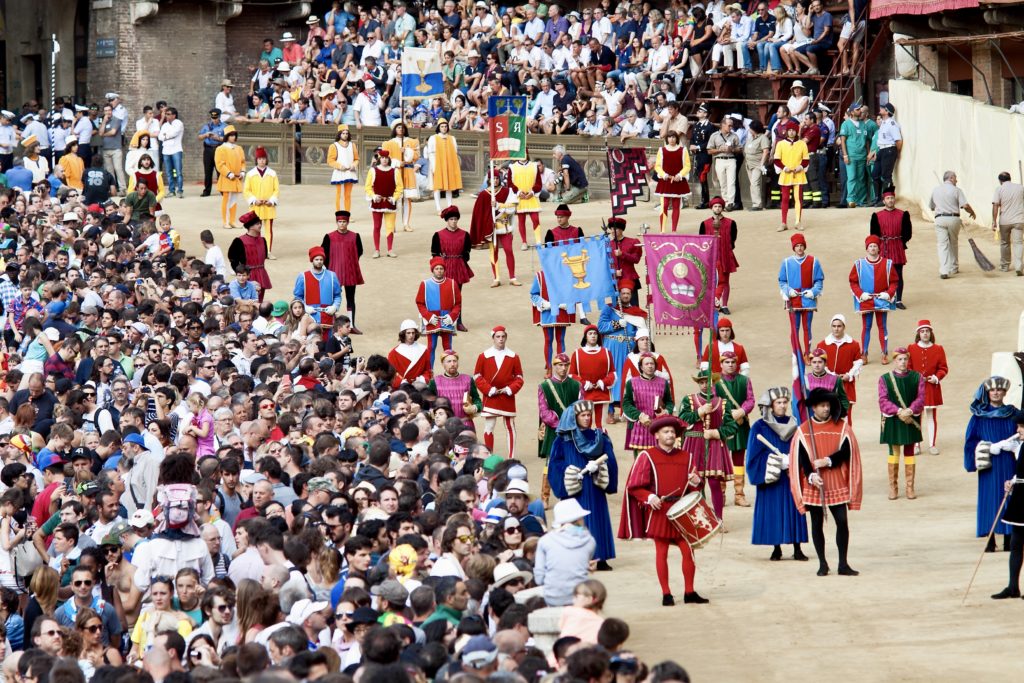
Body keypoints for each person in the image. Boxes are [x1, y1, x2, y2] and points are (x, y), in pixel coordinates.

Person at [619, 415, 708, 606]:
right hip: (660, 511)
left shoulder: (687, 456)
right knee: (662, 552)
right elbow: (635, 487)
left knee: (688, 551)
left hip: (681, 511)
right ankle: (666, 593)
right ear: (657, 435)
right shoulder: (647, 456)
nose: (670, 435)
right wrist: (650, 497)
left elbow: (696, 486)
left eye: (673, 432)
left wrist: (696, 481)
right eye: (666, 431)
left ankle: (689, 592)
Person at [789, 388, 863, 577]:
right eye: (822, 405)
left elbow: (847, 451)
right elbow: (801, 458)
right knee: (816, 524)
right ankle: (822, 563)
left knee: (842, 522)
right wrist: (811, 475)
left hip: (836, 480)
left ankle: (843, 564)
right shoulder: (804, 430)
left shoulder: (842, 427)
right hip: (815, 483)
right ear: (813, 407)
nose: (826, 409)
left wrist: (828, 461)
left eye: (828, 405)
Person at [548, 400, 618, 570]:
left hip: (594, 488)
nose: (587, 418)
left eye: (589, 415)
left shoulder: (599, 437)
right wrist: (570, 471)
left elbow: (611, 461)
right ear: (575, 417)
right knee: (578, 521)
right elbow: (554, 465)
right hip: (575, 490)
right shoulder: (562, 441)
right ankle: (578, 557)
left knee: (597, 519)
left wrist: (600, 467)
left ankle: (600, 557)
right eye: (583, 415)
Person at [746, 387, 809, 561]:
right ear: (771, 405)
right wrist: (775, 462)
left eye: (784, 402)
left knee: (795, 509)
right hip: (772, 477)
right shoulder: (760, 426)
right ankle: (776, 548)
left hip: (790, 476)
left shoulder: (794, 424)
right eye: (778, 403)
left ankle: (797, 548)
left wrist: (793, 462)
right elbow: (753, 455)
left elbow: (803, 449)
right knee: (774, 511)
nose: (782, 406)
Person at [963, 377, 1022, 553]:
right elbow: (970, 442)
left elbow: (1021, 435)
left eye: (999, 390)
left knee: (1009, 497)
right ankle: (989, 540)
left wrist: (1015, 446)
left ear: (1005, 392)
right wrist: (988, 447)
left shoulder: (1013, 414)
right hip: (989, 464)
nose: (996, 392)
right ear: (988, 393)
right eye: (992, 390)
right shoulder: (979, 417)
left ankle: (1008, 538)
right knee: (989, 498)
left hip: (1008, 462)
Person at [676, 368, 736, 521]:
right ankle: (698, 519)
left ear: (713, 383)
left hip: (714, 444)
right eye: (701, 382)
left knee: (715, 483)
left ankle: (719, 518)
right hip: (694, 443)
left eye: (707, 382)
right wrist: (699, 412)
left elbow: (731, 426)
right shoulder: (688, 400)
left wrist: (717, 433)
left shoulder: (723, 403)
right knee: (696, 483)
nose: (704, 385)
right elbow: (681, 420)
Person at [878, 348, 925, 501]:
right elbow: (883, 400)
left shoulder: (917, 377)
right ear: (894, 361)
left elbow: (921, 398)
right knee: (894, 452)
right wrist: (899, 411)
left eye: (905, 359)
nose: (903, 362)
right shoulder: (884, 378)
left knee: (910, 452)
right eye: (899, 359)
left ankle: (910, 488)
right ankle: (893, 488)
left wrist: (910, 410)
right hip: (893, 419)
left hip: (911, 417)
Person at [474, 326, 524, 457]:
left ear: (506, 338)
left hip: (507, 396)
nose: (501, 339)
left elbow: (519, 377)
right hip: (491, 396)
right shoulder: (484, 356)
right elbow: (477, 376)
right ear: (493, 338)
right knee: (489, 427)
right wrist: (489, 389)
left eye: (503, 337)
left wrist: (509, 389)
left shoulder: (513, 356)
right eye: (498, 337)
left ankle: (511, 457)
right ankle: (489, 456)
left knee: (510, 427)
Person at [535, 499, 596, 607]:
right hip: (579, 599)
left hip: (552, 599)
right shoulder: (590, 541)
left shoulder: (545, 541)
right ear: (580, 519)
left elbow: (539, 579)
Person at [989, 415, 1024, 599]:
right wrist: (1012, 481)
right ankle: (1013, 586)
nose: (1018, 430)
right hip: (1020, 495)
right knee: (1016, 543)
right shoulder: (1023, 446)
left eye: (1021, 427)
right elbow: (1021, 471)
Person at [849, 235, 898, 364]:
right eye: (870, 246)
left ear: (878, 248)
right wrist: (860, 294)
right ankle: (864, 354)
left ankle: (884, 353)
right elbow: (853, 282)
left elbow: (894, 282)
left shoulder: (888, 263)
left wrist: (889, 294)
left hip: (882, 299)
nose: (872, 248)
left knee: (882, 326)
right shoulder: (859, 264)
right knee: (867, 326)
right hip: (866, 300)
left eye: (875, 246)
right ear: (867, 248)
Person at [716, 351, 754, 508]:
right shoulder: (715, 381)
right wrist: (728, 414)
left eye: (733, 362)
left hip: (741, 425)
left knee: (739, 460)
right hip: (723, 425)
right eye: (727, 362)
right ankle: (721, 494)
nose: (730, 364)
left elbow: (750, 399)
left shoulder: (745, 380)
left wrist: (742, 411)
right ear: (721, 364)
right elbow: (713, 400)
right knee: (722, 461)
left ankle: (739, 494)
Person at [778, 233, 824, 359]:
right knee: (795, 328)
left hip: (808, 300)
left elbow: (819, 280)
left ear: (804, 246)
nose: (799, 248)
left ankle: (807, 353)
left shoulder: (814, 261)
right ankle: (796, 353)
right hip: (793, 300)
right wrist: (788, 291)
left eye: (801, 245)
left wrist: (813, 292)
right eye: (797, 246)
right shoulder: (786, 262)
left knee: (807, 327)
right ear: (793, 247)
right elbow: (782, 281)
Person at [907, 321, 948, 456]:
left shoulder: (938, 349)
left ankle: (932, 444)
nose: (925, 333)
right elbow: (909, 367)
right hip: (916, 387)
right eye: (922, 331)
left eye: (927, 331)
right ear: (918, 333)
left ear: (931, 333)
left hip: (931, 387)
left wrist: (936, 377)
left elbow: (943, 368)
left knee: (931, 415)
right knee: (917, 415)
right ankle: (917, 444)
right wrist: (914, 379)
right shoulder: (911, 348)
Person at [430, 206, 473, 332]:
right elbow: (434, 254)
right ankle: (441, 321)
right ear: (447, 220)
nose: (454, 221)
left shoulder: (465, 235)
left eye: (455, 219)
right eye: (451, 219)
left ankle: (458, 321)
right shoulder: (438, 235)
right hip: (444, 268)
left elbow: (467, 252)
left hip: (458, 267)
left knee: (457, 296)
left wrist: (462, 257)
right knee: (442, 296)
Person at [621, 353, 674, 457]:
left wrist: (667, 411)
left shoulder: (663, 383)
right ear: (641, 367)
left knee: (658, 463)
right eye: (647, 364)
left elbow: (669, 402)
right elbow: (626, 404)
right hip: (639, 428)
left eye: (652, 363)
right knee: (641, 465)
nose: (650, 366)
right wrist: (639, 416)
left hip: (658, 428)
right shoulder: (631, 382)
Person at [929, 170, 978, 279]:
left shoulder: (936, 190)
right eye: (955, 178)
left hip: (940, 219)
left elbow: (932, 207)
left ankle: (944, 270)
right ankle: (954, 267)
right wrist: (972, 213)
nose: (957, 180)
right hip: (953, 219)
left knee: (942, 245)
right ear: (951, 178)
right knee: (953, 243)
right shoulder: (957, 190)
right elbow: (965, 205)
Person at [815, 314, 863, 424]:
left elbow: (858, 363)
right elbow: (819, 363)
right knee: (826, 414)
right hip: (827, 384)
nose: (836, 329)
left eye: (839, 326)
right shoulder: (822, 345)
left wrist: (849, 375)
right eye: (834, 326)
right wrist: (830, 375)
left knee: (846, 415)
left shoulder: (853, 344)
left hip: (845, 384)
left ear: (844, 327)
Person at [869, 188, 913, 307]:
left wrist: (898, 241)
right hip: (883, 247)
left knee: (898, 274)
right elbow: (873, 234)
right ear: (884, 201)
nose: (890, 200)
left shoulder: (903, 214)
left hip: (897, 246)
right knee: (883, 275)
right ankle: (885, 299)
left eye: (892, 198)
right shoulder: (876, 216)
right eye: (888, 198)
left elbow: (908, 233)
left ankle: (898, 300)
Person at [415, 257, 462, 368]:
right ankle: (429, 372)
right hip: (432, 320)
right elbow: (419, 303)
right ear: (433, 270)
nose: (439, 270)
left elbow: (458, 303)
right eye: (437, 268)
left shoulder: (452, 283)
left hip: (447, 320)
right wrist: (428, 316)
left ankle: (449, 370)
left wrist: (452, 316)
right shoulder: (425, 284)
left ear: (444, 270)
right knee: (431, 347)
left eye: (441, 268)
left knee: (448, 348)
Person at [698, 197, 739, 314]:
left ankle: (724, 305)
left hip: (725, 256)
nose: (717, 208)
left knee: (725, 281)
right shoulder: (704, 224)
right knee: (710, 282)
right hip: (710, 258)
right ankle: (713, 304)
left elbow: (733, 240)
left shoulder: (731, 223)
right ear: (712, 208)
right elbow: (701, 242)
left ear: (722, 208)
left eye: (720, 206)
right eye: (715, 206)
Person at [570, 325, 616, 430]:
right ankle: (585, 445)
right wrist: (584, 383)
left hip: (602, 394)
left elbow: (613, 374)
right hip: (585, 394)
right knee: (585, 425)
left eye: (595, 334)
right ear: (585, 337)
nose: (593, 336)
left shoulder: (606, 353)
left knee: (601, 425)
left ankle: (602, 445)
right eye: (590, 334)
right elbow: (572, 375)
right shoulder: (577, 354)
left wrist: (602, 383)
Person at [530, 269, 575, 374]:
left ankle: (560, 366)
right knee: (548, 340)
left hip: (561, 312)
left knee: (560, 339)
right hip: (547, 313)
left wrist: (567, 302)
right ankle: (549, 367)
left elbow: (572, 292)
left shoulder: (565, 274)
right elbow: (533, 294)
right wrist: (544, 303)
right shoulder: (540, 275)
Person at [293, 246, 343, 341]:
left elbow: (337, 295)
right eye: (316, 259)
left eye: (321, 259)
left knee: (329, 343)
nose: (319, 261)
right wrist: (305, 307)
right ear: (312, 260)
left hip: (328, 315)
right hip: (311, 316)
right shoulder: (303, 276)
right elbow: (297, 296)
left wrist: (335, 307)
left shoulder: (332, 275)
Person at [364, 149, 403, 258]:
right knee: (377, 226)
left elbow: (400, 187)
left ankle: (390, 249)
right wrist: (373, 196)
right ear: (379, 159)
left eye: (386, 158)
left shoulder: (395, 171)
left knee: (390, 227)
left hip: (390, 203)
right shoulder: (373, 171)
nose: (385, 160)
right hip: (377, 203)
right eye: (383, 158)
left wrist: (394, 198)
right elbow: (367, 187)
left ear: (389, 159)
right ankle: (377, 250)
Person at [427, 350, 482, 426]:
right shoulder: (434, 382)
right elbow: (427, 403)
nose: (452, 364)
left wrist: (474, 408)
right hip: (445, 426)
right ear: (443, 364)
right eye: (449, 361)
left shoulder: (468, 379)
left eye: (454, 361)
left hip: (465, 425)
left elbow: (477, 400)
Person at [243, 146, 280, 258]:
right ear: (256, 160)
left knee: (268, 230)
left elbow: (276, 189)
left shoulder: (272, 173)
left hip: (268, 206)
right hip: (256, 207)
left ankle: (268, 251)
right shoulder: (250, 174)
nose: (262, 161)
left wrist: (272, 201)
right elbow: (246, 190)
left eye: (263, 159)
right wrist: (254, 200)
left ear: (266, 160)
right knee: (255, 229)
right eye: (259, 159)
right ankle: (256, 251)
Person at [383, 122, 420, 233]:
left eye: (403, 127)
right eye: (398, 127)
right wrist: (398, 163)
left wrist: (407, 152)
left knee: (406, 199)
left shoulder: (412, 141)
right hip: (394, 172)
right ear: (395, 129)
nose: (401, 129)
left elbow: (417, 156)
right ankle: (392, 224)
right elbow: (384, 157)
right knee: (395, 198)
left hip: (408, 171)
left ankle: (406, 223)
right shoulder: (388, 143)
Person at [773, 119, 809, 231]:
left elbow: (806, 159)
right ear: (786, 131)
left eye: (794, 130)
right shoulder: (780, 144)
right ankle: (783, 222)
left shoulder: (802, 144)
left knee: (798, 199)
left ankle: (798, 221)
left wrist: (801, 167)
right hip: (786, 174)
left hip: (798, 175)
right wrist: (784, 168)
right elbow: (777, 159)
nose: (792, 132)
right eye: (790, 130)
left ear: (797, 131)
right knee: (784, 199)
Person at [228, 212, 272, 302]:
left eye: (260, 223)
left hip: (261, 274)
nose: (260, 225)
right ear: (251, 226)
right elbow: (233, 259)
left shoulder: (263, 240)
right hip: (247, 275)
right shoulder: (239, 241)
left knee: (259, 301)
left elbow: (263, 257)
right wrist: (241, 273)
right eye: (257, 223)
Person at [654, 131, 691, 232]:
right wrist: (664, 175)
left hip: (678, 182)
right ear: (667, 139)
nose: (671, 139)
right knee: (664, 206)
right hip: (665, 181)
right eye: (669, 137)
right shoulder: (661, 150)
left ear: (677, 138)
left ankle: (674, 230)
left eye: (673, 137)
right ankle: (663, 230)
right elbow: (657, 166)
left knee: (676, 206)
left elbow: (687, 165)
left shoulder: (683, 150)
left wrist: (680, 175)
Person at [426, 119, 462, 213]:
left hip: (449, 164)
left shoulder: (452, 138)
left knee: (449, 186)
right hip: (438, 164)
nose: (444, 128)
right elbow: (431, 153)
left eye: (445, 126)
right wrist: (434, 166)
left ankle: (449, 206)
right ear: (438, 127)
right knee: (437, 187)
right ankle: (439, 208)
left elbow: (455, 152)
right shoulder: (433, 138)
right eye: (442, 126)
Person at [991, 171, 1024, 276]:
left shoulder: (999, 189)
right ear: (1010, 178)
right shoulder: (1020, 187)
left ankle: (1005, 266)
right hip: (1019, 220)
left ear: (1000, 181)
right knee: (1018, 243)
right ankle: (1019, 266)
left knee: (1005, 243)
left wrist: (994, 221)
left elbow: (995, 205)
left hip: (1004, 221)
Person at [838, 103, 870, 208]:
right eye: (857, 109)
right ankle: (851, 199)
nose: (860, 111)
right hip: (851, 155)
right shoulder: (846, 124)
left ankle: (861, 200)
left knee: (861, 178)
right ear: (852, 112)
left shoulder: (863, 124)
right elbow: (842, 140)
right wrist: (845, 155)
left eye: (860, 109)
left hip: (862, 155)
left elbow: (867, 141)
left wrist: (868, 153)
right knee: (852, 177)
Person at [213, 125, 245, 230]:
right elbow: (219, 164)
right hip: (227, 178)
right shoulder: (220, 149)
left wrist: (243, 171)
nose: (233, 137)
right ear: (226, 136)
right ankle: (225, 221)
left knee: (234, 200)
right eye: (231, 135)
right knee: (226, 200)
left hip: (237, 178)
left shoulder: (239, 148)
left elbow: (242, 162)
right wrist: (228, 173)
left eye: (234, 135)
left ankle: (232, 221)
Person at [510, 156, 543, 248]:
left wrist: (532, 192)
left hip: (532, 196)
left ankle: (538, 241)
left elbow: (539, 182)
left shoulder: (534, 166)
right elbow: (510, 183)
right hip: (520, 198)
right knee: (521, 220)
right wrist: (518, 192)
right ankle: (524, 242)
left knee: (535, 219)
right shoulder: (512, 167)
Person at [388, 319, 431, 388]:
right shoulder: (393, 353)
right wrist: (402, 382)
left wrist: (421, 380)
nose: (411, 335)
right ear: (403, 334)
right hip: (402, 388)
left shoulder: (424, 350)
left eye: (413, 333)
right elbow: (392, 374)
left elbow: (428, 370)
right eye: (408, 333)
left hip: (420, 386)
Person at [708, 120, 740, 210]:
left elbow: (740, 149)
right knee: (722, 182)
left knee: (731, 182)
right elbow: (709, 150)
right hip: (719, 160)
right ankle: (725, 201)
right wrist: (720, 150)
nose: (731, 127)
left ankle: (730, 203)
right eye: (729, 125)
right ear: (723, 125)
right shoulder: (714, 136)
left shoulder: (734, 136)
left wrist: (732, 149)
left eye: (731, 126)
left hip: (731, 160)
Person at [327, 125, 359, 212]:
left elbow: (356, 159)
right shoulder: (334, 146)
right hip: (339, 172)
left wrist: (354, 165)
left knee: (348, 195)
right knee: (338, 194)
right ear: (339, 134)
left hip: (350, 172)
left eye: (347, 133)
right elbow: (330, 160)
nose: (345, 135)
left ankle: (347, 214)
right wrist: (339, 166)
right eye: (343, 133)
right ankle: (338, 213)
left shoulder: (352, 145)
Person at [198, 108, 226, 197]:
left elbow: (228, 139)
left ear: (219, 117)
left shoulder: (224, 126)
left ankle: (222, 189)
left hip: (219, 148)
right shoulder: (206, 126)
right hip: (208, 149)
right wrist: (205, 135)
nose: (214, 120)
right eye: (213, 118)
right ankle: (207, 190)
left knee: (220, 170)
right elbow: (199, 137)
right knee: (208, 170)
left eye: (216, 118)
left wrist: (218, 138)